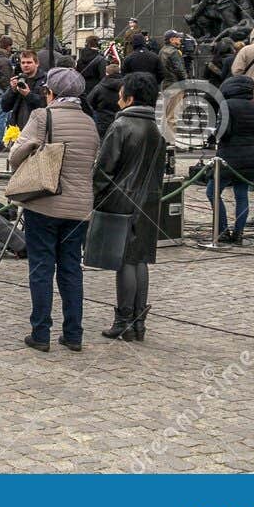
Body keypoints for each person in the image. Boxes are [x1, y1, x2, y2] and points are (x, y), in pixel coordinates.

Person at [7, 67, 97, 352]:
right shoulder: (89, 123)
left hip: (45, 203)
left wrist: (31, 147)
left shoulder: (41, 116)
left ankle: (41, 332)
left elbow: (15, 155)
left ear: (51, 93)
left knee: (42, 267)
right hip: (79, 208)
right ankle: (73, 333)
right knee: (71, 268)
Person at [92, 73, 167, 341]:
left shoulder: (122, 125)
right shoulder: (157, 128)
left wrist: (98, 195)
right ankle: (138, 323)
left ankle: (124, 320)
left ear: (130, 97)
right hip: (148, 200)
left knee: (124, 260)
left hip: (121, 199)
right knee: (140, 259)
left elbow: (104, 168)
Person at [211, 74, 254, 244]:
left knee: (212, 192)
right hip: (249, 157)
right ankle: (239, 233)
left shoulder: (226, 105)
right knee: (241, 195)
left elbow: (223, 132)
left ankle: (222, 230)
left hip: (227, 157)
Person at [4, 49, 47, 132]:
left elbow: (45, 104)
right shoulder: (18, 79)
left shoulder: (45, 80)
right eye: (23, 63)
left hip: (37, 128)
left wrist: (28, 95)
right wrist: (12, 91)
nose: (25, 65)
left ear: (37, 63)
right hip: (18, 128)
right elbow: (5, 107)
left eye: (29, 62)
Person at [88, 62, 124, 138]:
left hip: (102, 118)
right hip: (120, 117)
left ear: (107, 73)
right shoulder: (125, 87)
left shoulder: (100, 86)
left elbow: (90, 101)